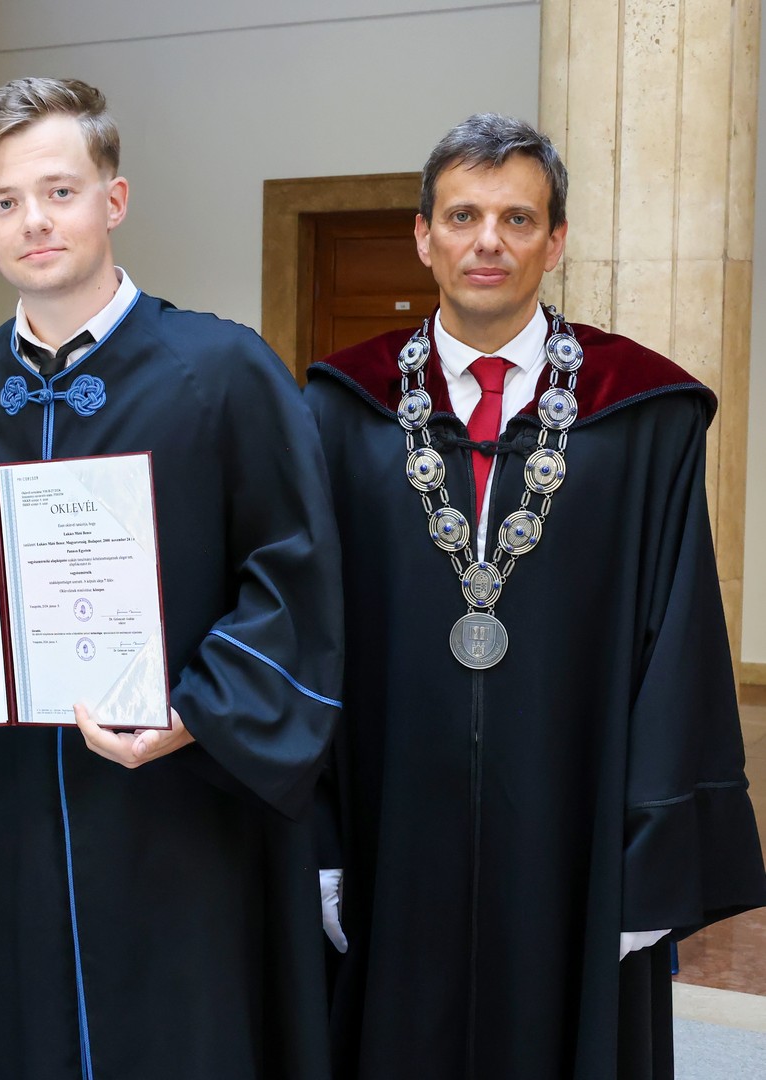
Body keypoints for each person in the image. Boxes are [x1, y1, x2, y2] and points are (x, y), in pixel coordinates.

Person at [0, 77, 344, 1079]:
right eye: (5, 201)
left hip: (172, 811)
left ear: (112, 199)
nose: (33, 222)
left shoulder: (221, 371)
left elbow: (294, 575)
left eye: (58, 192)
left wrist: (198, 712)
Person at [306, 113, 766, 1080]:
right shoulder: (339, 411)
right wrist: (318, 838)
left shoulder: (642, 416)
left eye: (517, 219)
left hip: (576, 823)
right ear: (423, 236)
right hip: (393, 817)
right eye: (463, 216)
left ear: (555, 242)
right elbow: (307, 631)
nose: (489, 242)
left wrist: (651, 861)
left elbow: (679, 640)